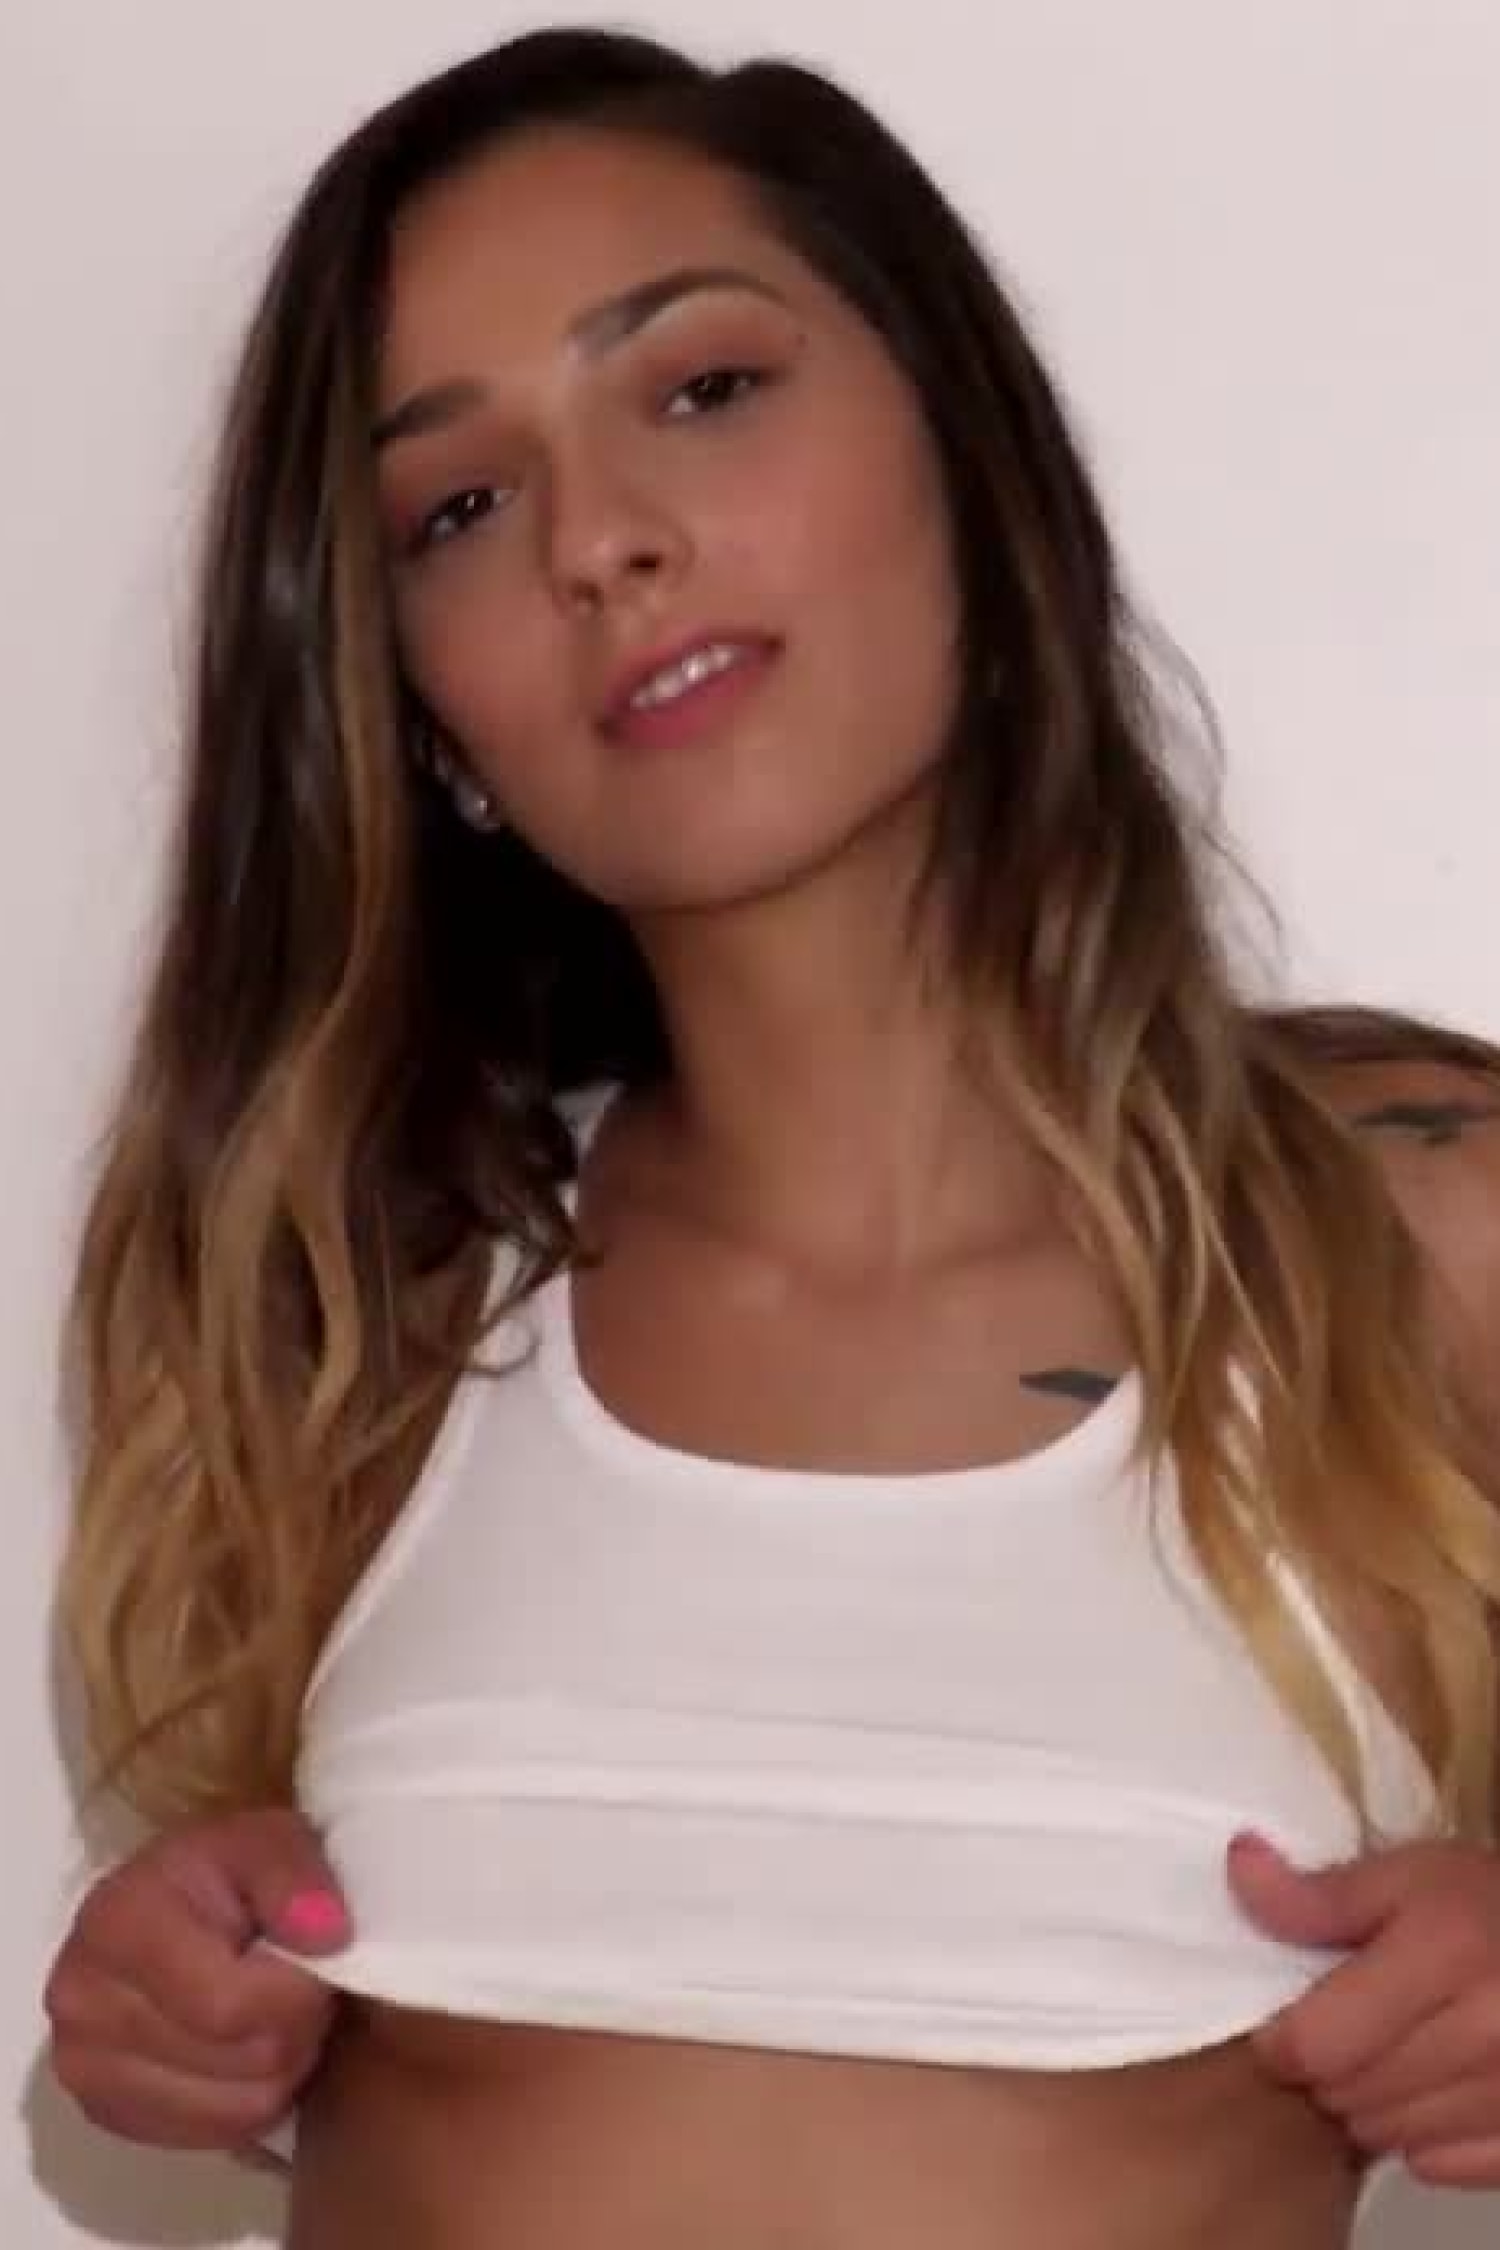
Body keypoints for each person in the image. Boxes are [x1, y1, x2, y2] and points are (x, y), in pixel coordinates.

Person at [42, 24, 1500, 2250]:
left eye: (706, 387)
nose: (602, 542)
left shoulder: (1417, 1227)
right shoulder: (367, 1306)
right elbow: (233, 1940)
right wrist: (167, 1987)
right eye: (455, 510)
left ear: (968, 449)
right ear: (416, 715)